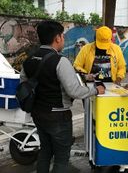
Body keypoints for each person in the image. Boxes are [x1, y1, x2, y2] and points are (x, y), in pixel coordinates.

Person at [20, 20, 105, 173]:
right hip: (58, 117)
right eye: (63, 36)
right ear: (57, 38)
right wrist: (96, 90)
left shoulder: (29, 59)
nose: (64, 39)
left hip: (38, 114)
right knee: (61, 158)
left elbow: (24, 83)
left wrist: (84, 77)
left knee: (45, 151)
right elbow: (75, 91)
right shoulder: (60, 60)